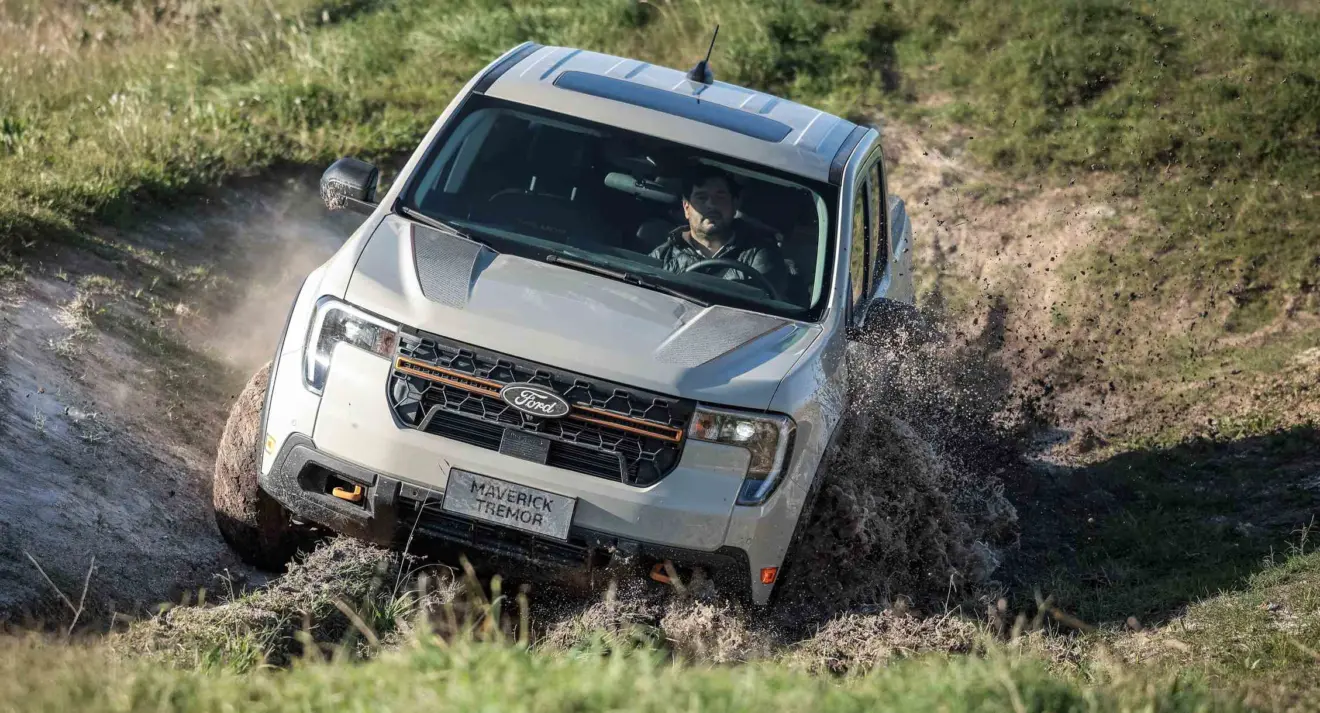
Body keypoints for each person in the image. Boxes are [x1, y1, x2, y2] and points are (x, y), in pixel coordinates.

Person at [649, 166, 788, 297]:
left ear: (734, 205)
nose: (711, 204)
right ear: (686, 208)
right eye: (701, 197)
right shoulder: (663, 255)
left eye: (720, 196)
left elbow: (764, 307)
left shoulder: (759, 255)